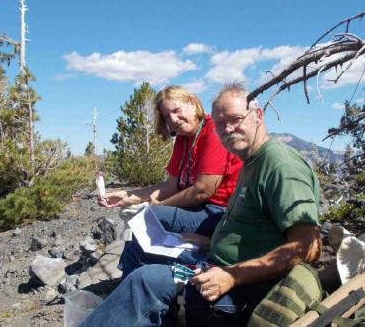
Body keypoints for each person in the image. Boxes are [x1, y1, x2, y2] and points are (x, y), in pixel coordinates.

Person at [82, 84, 322, 326]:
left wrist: (232, 275)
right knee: (145, 275)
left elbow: (308, 246)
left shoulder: (280, 165)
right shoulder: (251, 161)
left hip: (239, 285)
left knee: (145, 282)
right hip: (207, 266)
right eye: (219, 124)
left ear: (258, 116)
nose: (227, 129)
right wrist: (210, 241)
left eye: (236, 119)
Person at [101, 85, 243, 277]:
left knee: (149, 219)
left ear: (193, 104)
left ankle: (141, 280)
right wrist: (128, 197)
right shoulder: (184, 139)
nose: (174, 119)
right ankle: (134, 279)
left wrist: (159, 207)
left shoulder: (212, 131)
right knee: (141, 225)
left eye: (177, 110)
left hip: (218, 211)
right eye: (167, 116)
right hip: (197, 208)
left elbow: (203, 190)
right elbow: (172, 185)